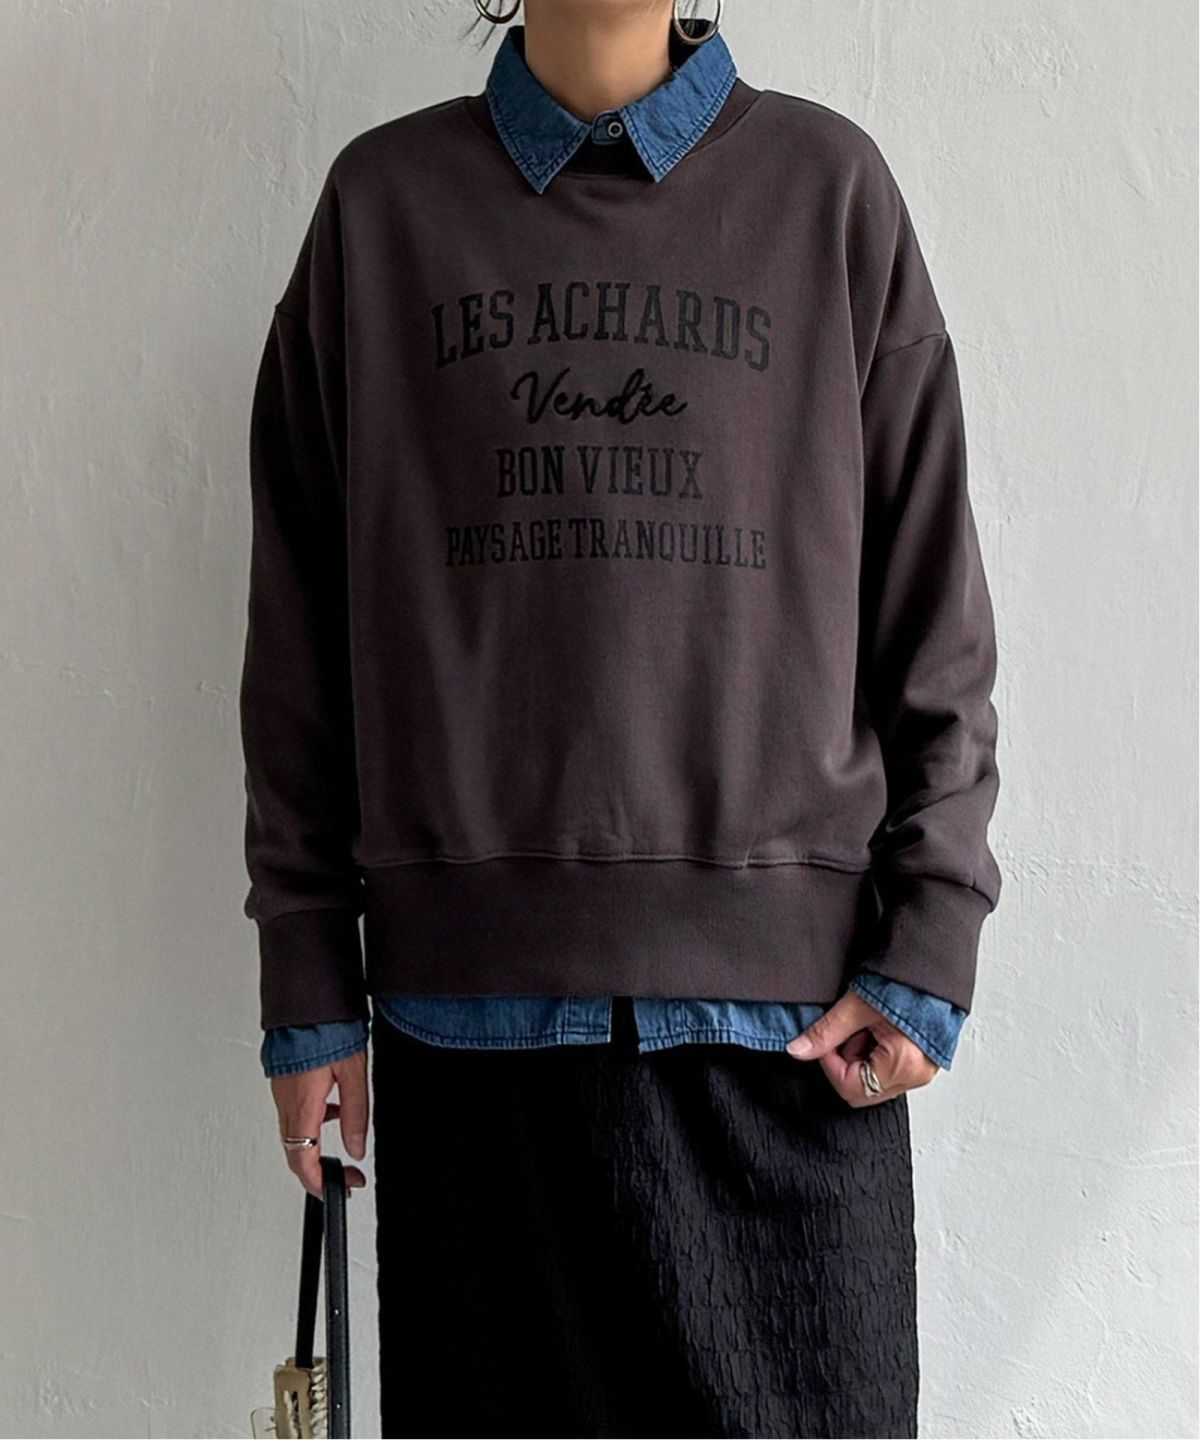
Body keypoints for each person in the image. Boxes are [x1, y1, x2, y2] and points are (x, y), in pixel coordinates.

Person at [239, 2, 1001, 1435]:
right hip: (472, 1054)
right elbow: (299, 640)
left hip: (788, 1057)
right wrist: (307, 969)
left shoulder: (829, 195)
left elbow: (935, 619)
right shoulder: (382, 212)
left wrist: (931, 941)